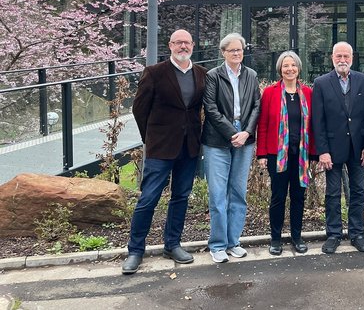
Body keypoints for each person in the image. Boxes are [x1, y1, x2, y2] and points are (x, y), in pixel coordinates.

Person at [122, 29, 207, 275]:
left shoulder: (201, 74)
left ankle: (172, 244)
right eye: (178, 42)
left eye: (187, 42)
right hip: (161, 147)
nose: (183, 46)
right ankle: (135, 250)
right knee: (148, 198)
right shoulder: (154, 73)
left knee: (181, 197)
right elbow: (140, 109)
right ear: (170, 45)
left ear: (193, 45)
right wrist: (149, 138)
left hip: (189, 146)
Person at [202, 33, 261, 264]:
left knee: (238, 192)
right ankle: (217, 245)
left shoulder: (251, 75)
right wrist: (232, 133)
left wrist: (246, 132)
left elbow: (257, 105)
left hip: (244, 137)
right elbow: (211, 108)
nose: (237, 53)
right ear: (223, 53)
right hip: (218, 139)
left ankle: (233, 242)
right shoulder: (213, 76)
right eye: (232, 50)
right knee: (218, 194)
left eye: (240, 49)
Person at [312, 41, 364, 254]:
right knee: (332, 193)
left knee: (358, 191)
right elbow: (317, 121)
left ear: (352, 58)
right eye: (338, 56)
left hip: (358, 149)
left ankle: (357, 233)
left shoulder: (363, 81)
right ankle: (334, 234)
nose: (342, 60)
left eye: (346, 56)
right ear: (332, 58)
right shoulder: (321, 83)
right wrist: (323, 150)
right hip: (332, 148)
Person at [257, 51, 316, 256]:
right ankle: (275, 239)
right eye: (285, 66)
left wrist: (314, 154)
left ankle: (297, 237)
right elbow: (262, 124)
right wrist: (262, 154)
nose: (289, 69)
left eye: (293, 65)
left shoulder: (308, 93)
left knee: (299, 197)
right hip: (277, 155)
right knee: (278, 197)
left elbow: (313, 126)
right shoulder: (271, 93)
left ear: (298, 68)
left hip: (300, 155)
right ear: (280, 69)